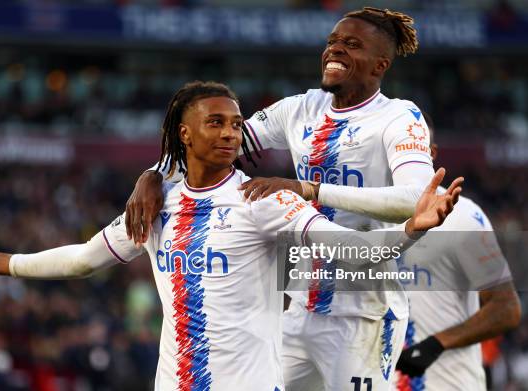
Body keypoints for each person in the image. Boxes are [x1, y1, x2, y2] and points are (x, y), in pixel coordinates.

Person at [0, 81, 463, 391]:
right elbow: (85, 258)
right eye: (216, 123)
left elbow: (346, 254)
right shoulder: (159, 202)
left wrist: (411, 229)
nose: (231, 133)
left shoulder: (264, 198)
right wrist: (2, 262)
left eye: (235, 124)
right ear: (184, 133)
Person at [125, 7, 436, 390]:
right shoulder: (299, 109)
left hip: (364, 315)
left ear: (380, 64)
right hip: (300, 307)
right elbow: (215, 148)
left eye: (352, 45)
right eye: (332, 42)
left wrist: (311, 190)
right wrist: (153, 174)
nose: (335, 50)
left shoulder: (399, 118)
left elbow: (417, 198)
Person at [394, 115, 521, 390]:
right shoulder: (358, 217)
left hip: (451, 384)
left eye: (414, 148)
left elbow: (507, 308)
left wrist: (437, 344)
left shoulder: (463, 215)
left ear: (432, 153)